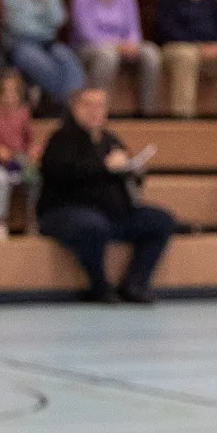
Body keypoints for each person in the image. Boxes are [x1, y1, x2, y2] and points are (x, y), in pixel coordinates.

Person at [37, 87, 177, 303]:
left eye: (100, 105)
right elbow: (62, 174)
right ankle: (99, 286)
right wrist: (103, 167)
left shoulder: (110, 139)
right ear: (75, 108)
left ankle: (136, 282)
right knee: (92, 226)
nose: (95, 111)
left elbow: (125, 175)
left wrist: (133, 170)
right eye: (88, 105)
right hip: (66, 212)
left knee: (160, 220)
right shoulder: (61, 139)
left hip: (113, 213)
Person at [70, 0, 162, 115]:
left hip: (124, 47)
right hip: (88, 49)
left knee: (151, 53)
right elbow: (87, 33)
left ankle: (148, 112)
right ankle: (98, 112)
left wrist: (131, 44)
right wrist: (117, 45)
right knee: (107, 56)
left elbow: (134, 30)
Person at [0, 0, 87, 106]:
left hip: (49, 43)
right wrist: (43, 23)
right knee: (41, 64)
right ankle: (65, 105)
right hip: (21, 45)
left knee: (70, 63)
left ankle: (67, 105)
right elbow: (19, 27)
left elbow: (58, 21)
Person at [0, 70, 39, 240]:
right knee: (2, 180)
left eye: (13, 92)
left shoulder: (23, 113)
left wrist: (32, 151)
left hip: (18, 161)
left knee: (34, 179)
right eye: (5, 92)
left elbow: (29, 140)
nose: (9, 96)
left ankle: (33, 221)